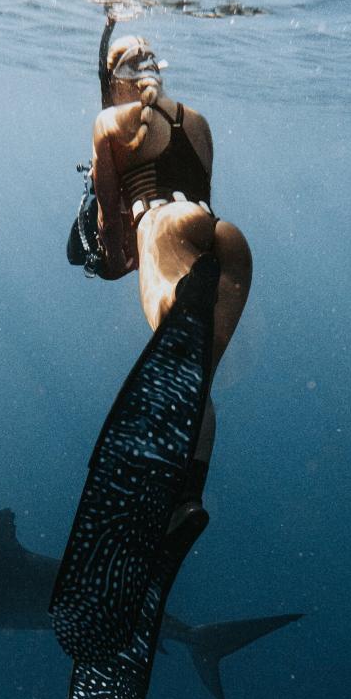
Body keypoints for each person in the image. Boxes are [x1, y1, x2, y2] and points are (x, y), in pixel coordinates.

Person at [90, 32, 252, 519]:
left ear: (116, 80)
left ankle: (164, 490)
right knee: (196, 382)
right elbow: (200, 194)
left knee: (177, 372)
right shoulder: (197, 121)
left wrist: (114, 260)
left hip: (162, 226)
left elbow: (109, 225)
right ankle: (188, 499)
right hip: (228, 237)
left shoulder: (107, 122)